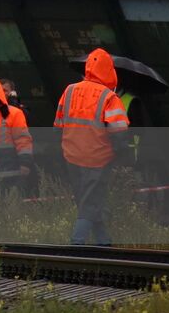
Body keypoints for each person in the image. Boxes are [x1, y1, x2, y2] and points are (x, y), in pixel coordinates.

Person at [54, 47, 130, 246]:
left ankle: (103, 243)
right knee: (90, 203)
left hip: (71, 157)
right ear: (109, 71)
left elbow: (58, 126)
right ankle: (77, 243)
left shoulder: (69, 91)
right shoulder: (109, 98)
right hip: (97, 159)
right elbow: (119, 133)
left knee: (88, 200)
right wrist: (124, 156)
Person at [0, 81, 32, 195]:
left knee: (11, 199)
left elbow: (23, 140)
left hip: (11, 169)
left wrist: (25, 163)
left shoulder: (14, 113)